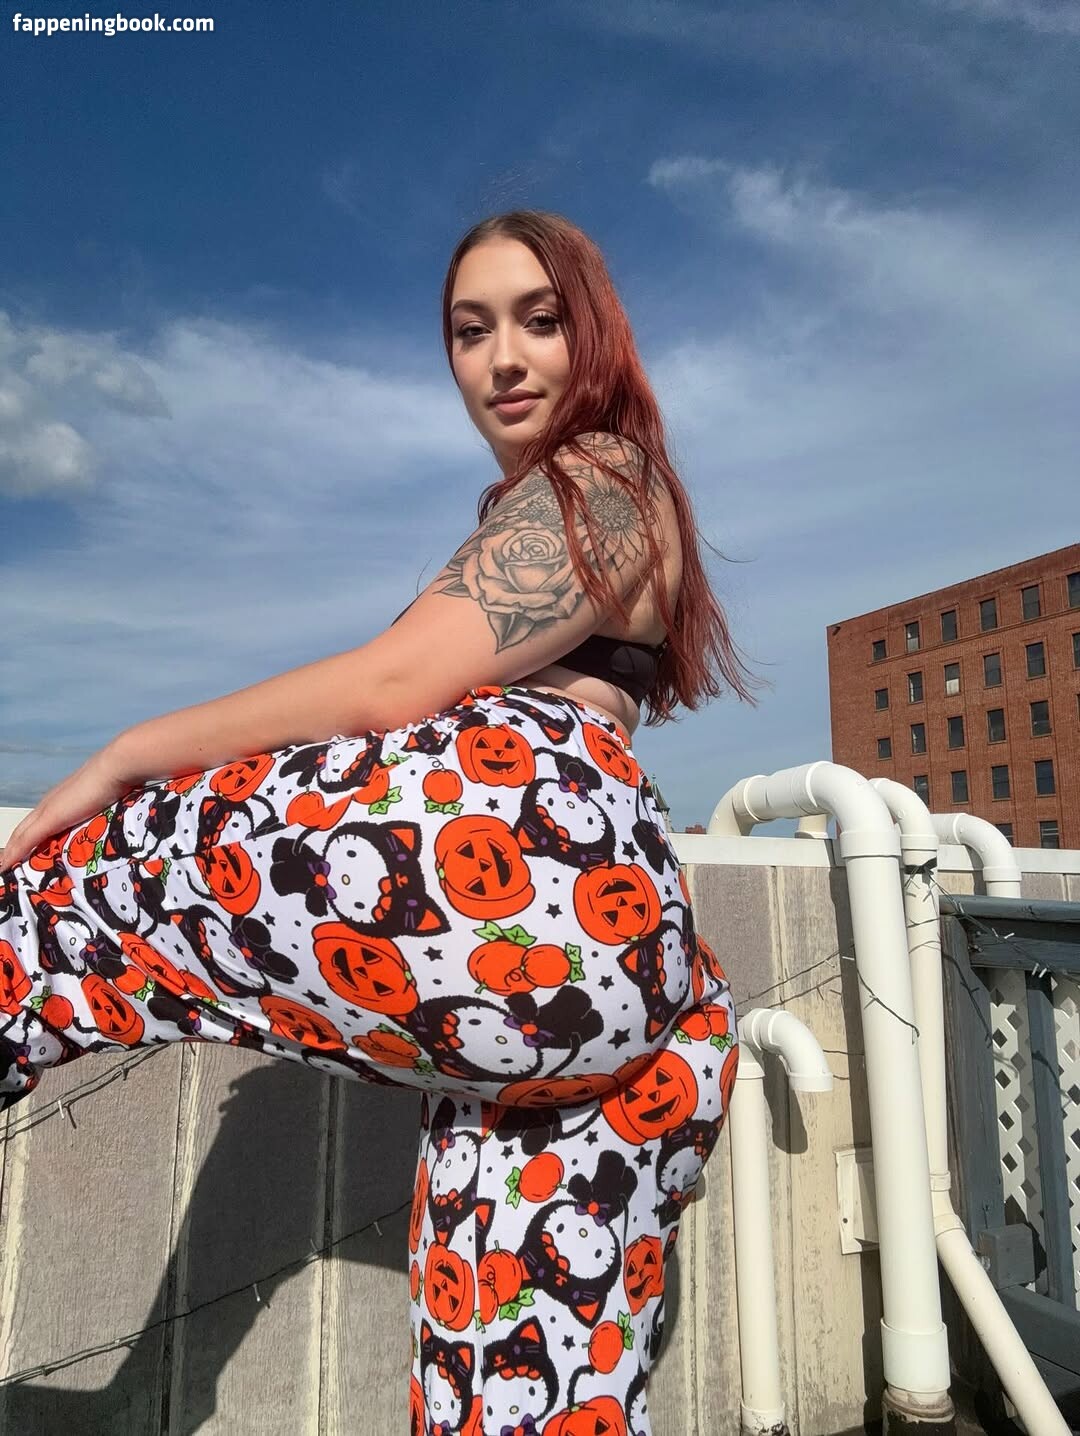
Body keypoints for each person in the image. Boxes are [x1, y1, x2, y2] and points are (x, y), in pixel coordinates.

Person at [0, 209, 759, 1435]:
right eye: (471, 330)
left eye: (540, 320)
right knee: (510, 1367)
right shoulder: (586, 500)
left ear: (598, 334)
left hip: (526, 887)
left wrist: (123, 754)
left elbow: (389, 685)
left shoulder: (605, 477)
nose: (503, 359)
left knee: (57, 900)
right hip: (604, 971)